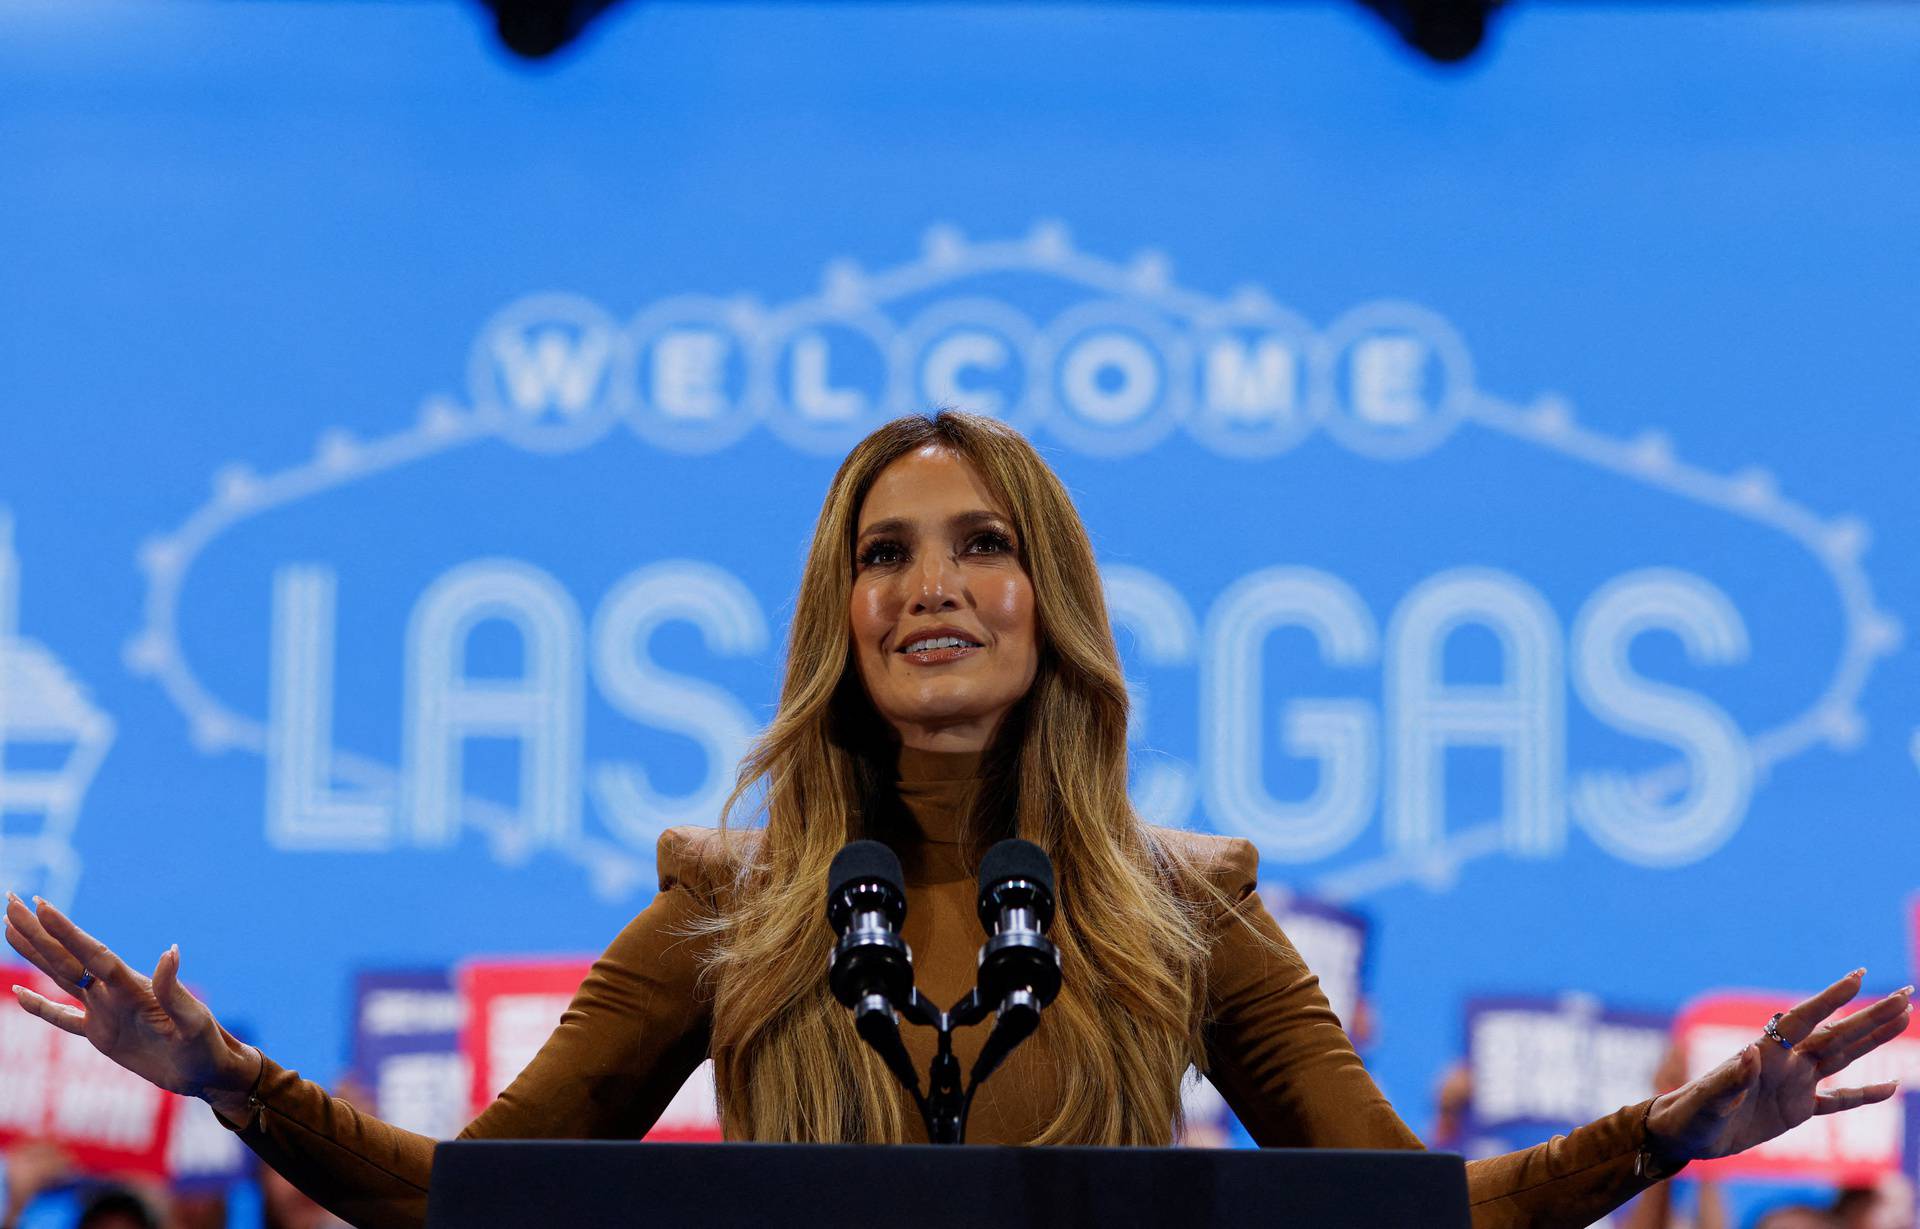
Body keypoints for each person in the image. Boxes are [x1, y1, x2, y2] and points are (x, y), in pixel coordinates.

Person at [5, 412, 1912, 1229]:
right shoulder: (730, 917)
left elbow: (1416, 1217)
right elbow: (467, 1207)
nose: (934, 584)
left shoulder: (1189, 921)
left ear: (1049, 597)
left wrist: (1685, 1131)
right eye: (885, 553)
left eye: (981, 545)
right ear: (838, 614)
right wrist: (223, 1076)